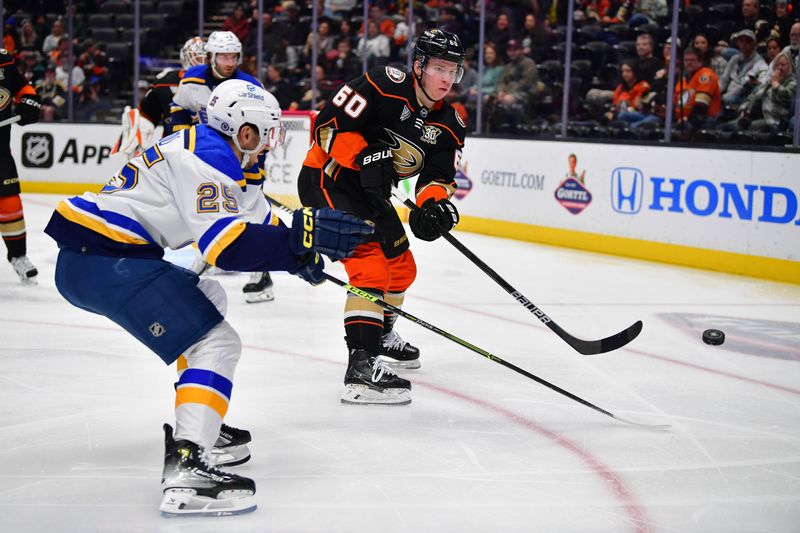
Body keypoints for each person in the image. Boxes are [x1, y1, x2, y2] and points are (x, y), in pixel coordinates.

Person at [43, 79, 374, 516]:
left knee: (209, 297)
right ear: (244, 130)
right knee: (218, 343)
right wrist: (299, 241)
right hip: (105, 260)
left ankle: (201, 422)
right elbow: (227, 246)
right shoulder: (206, 157)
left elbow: (261, 217)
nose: (271, 143)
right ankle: (188, 464)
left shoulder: (215, 149)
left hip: (102, 257)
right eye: (266, 132)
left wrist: (299, 250)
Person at [296, 29, 466, 405]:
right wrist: (361, 158)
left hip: (370, 195)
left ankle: (379, 335)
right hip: (327, 179)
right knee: (370, 268)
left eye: (453, 71)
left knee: (402, 269)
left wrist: (433, 204)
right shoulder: (381, 84)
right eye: (438, 68)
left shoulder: (450, 122)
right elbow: (326, 128)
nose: (445, 79)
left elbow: (439, 177)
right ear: (419, 66)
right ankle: (361, 370)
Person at [170, 31, 278, 303]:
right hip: (207, 156)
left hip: (242, 155)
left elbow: (261, 128)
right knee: (205, 209)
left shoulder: (250, 85)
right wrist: (183, 135)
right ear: (211, 57)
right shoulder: (193, 78)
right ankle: (206, 258)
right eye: (223, 56)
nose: (229, 62)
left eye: (233, 56)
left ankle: (261, 276)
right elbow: (178, 108)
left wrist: (254, 163)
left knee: (249, 213)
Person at [115, 36, 206, 160]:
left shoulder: (221, 84)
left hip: (208, 153)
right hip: (173, 154)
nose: (203, 63)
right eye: (199, 58)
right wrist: (140, 129)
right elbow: (147, 115)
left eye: (206, 59)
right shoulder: (166, 82)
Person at [0, 48, 42, 283]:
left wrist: (29, 101)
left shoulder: (3, 62)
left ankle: (18, 257)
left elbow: (21, 86)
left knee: (10, 203)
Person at [674, 47, 722, 138]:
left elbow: (701, 107)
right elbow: (675, 104)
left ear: (700, 61)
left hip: (704, 120)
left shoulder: (706, 76)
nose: (688, 63)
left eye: (692, 60)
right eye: (686, 60)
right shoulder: (682, 80)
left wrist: (687, 120)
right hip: (683, 120)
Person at [719, 29, 768, 106]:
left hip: (742, 95)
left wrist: (722, 98)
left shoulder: (759, 63)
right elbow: (724, 79)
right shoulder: (734, 58)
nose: (744, 44)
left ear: (754, 44)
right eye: (741, 41)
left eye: (748, 41)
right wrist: (715, 93)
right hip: (728, 91)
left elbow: (742, 87)